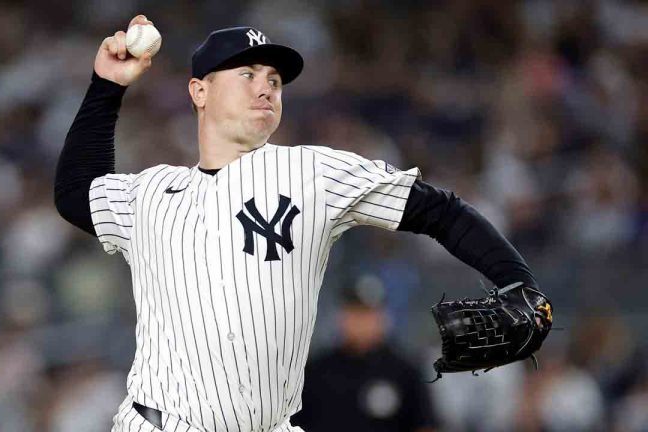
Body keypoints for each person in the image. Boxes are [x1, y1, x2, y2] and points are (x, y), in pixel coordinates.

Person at [55, 14, 545, 432]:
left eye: (273, 79)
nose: (266, 86)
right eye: (246, 73)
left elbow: (439, 210)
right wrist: (107, 86)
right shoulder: (153, 192)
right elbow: (77, 193)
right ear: (199, 91)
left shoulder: (312, 173)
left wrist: (518, 281)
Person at [292, 277, 438, 432]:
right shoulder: (315, 372)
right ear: (341, 316)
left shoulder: (405, 372)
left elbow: (425, 426)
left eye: (367, 313)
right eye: (355, 312)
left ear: (383, 317)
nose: (361, 322)